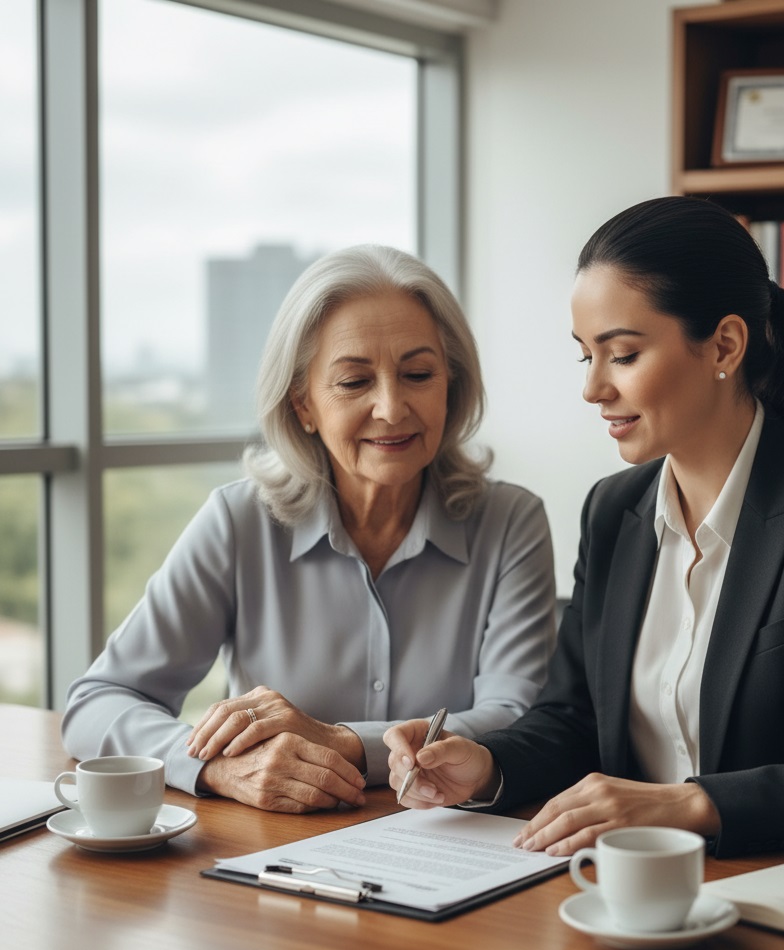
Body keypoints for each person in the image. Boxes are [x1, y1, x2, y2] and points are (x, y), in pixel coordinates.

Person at [383, 196, 784, 858]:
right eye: (586, 357)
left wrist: (693, 804)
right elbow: (573, 721)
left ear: (724, 345)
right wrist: (486, 765)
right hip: (626, 893)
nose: (593, 389)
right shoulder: (613, 512)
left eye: (622, 355)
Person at [62, 244, 556, 813]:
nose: (392, 408)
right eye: (353, 383)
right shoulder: (238, 521)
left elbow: (514, 716)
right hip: (271, 852)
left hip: (450, 847)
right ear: (303, 404)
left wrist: (342, 743)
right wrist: (214, 765)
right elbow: (98, 701)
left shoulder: (512, 523)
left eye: (419, 374)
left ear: (452, 384)